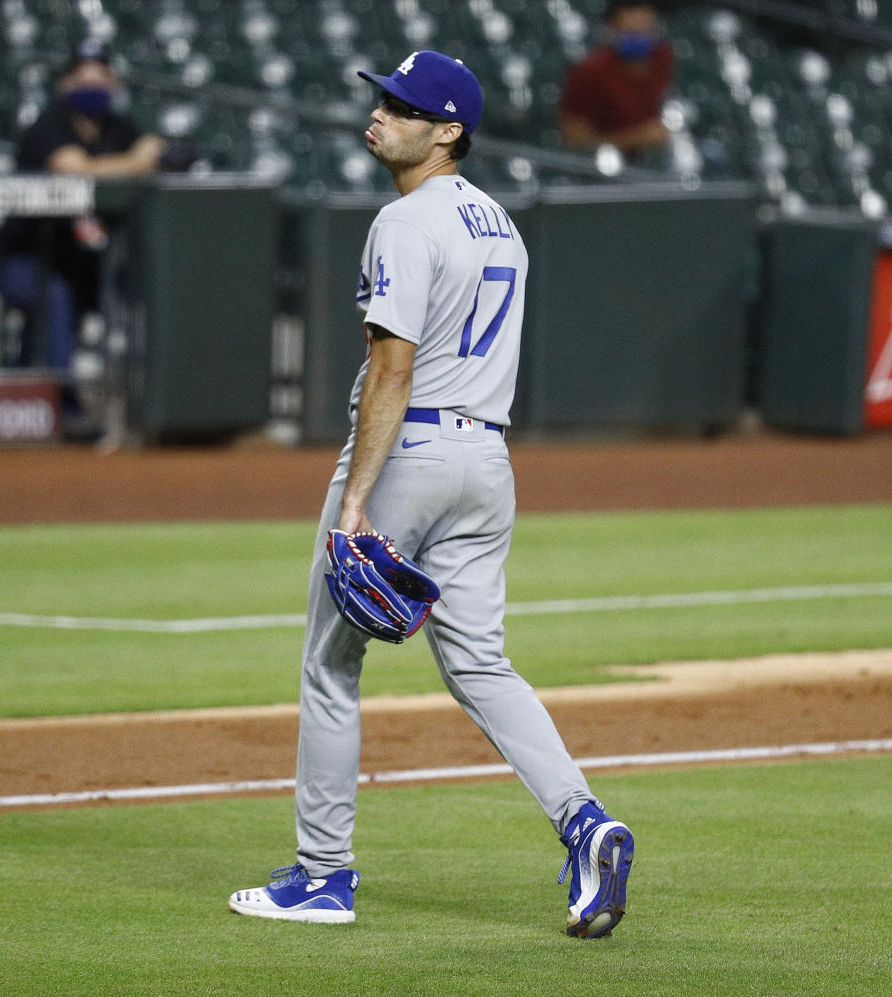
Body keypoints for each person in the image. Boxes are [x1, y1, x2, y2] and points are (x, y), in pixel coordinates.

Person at [228, 50, 635, 939]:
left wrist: (355, 500)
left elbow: (391, 366)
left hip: (408, 452)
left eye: (405, 105)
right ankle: (584, 821)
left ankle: (322, 874)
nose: (381, 113)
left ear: (448, 130)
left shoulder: (405, 220)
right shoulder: (501, 224)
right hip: (487, 461)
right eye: (383, 97)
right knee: (483, 665)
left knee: (331, 666)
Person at [0, 39, 164, 390]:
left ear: (114, 84)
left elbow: (155, 151)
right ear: (65, 84)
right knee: (55, 299)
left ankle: (133, 398)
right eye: (83, 81)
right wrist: (133, 164)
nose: (93, 88)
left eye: (100, 80)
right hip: (23, 257)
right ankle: (61, 402)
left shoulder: (118, 126)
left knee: (132, 285)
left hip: (79, 259)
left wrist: (120, 163)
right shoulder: (47, 125)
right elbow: (71, 167)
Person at [559, 1, 673, 158]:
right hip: (605, 167)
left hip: (655, 159)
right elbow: (576, 142)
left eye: (645, 32)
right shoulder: (589, 72)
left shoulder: (663, 56)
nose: (639, 39)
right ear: (611, 31)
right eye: (631, 33)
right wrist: (637, 137)